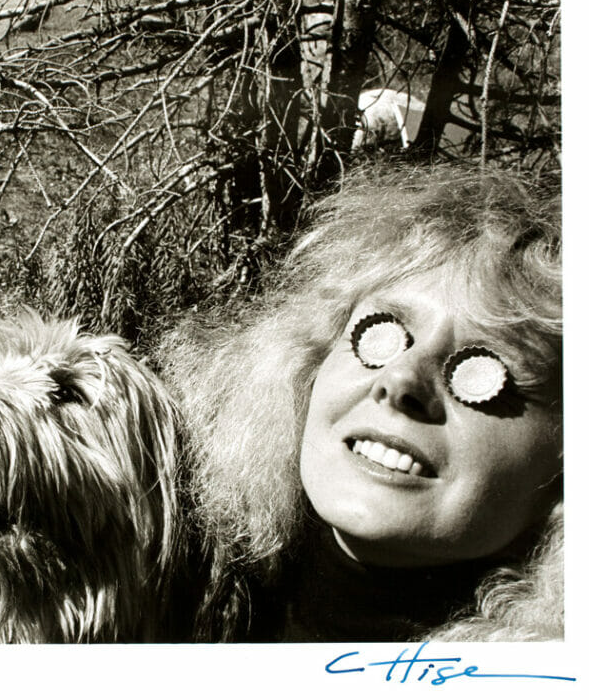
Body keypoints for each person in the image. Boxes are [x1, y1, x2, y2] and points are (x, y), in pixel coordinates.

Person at [161, 164, 563, 641]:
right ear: (308, 364)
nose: (401, 380)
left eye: (486, 371)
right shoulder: (148, 568)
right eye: (382, 332)